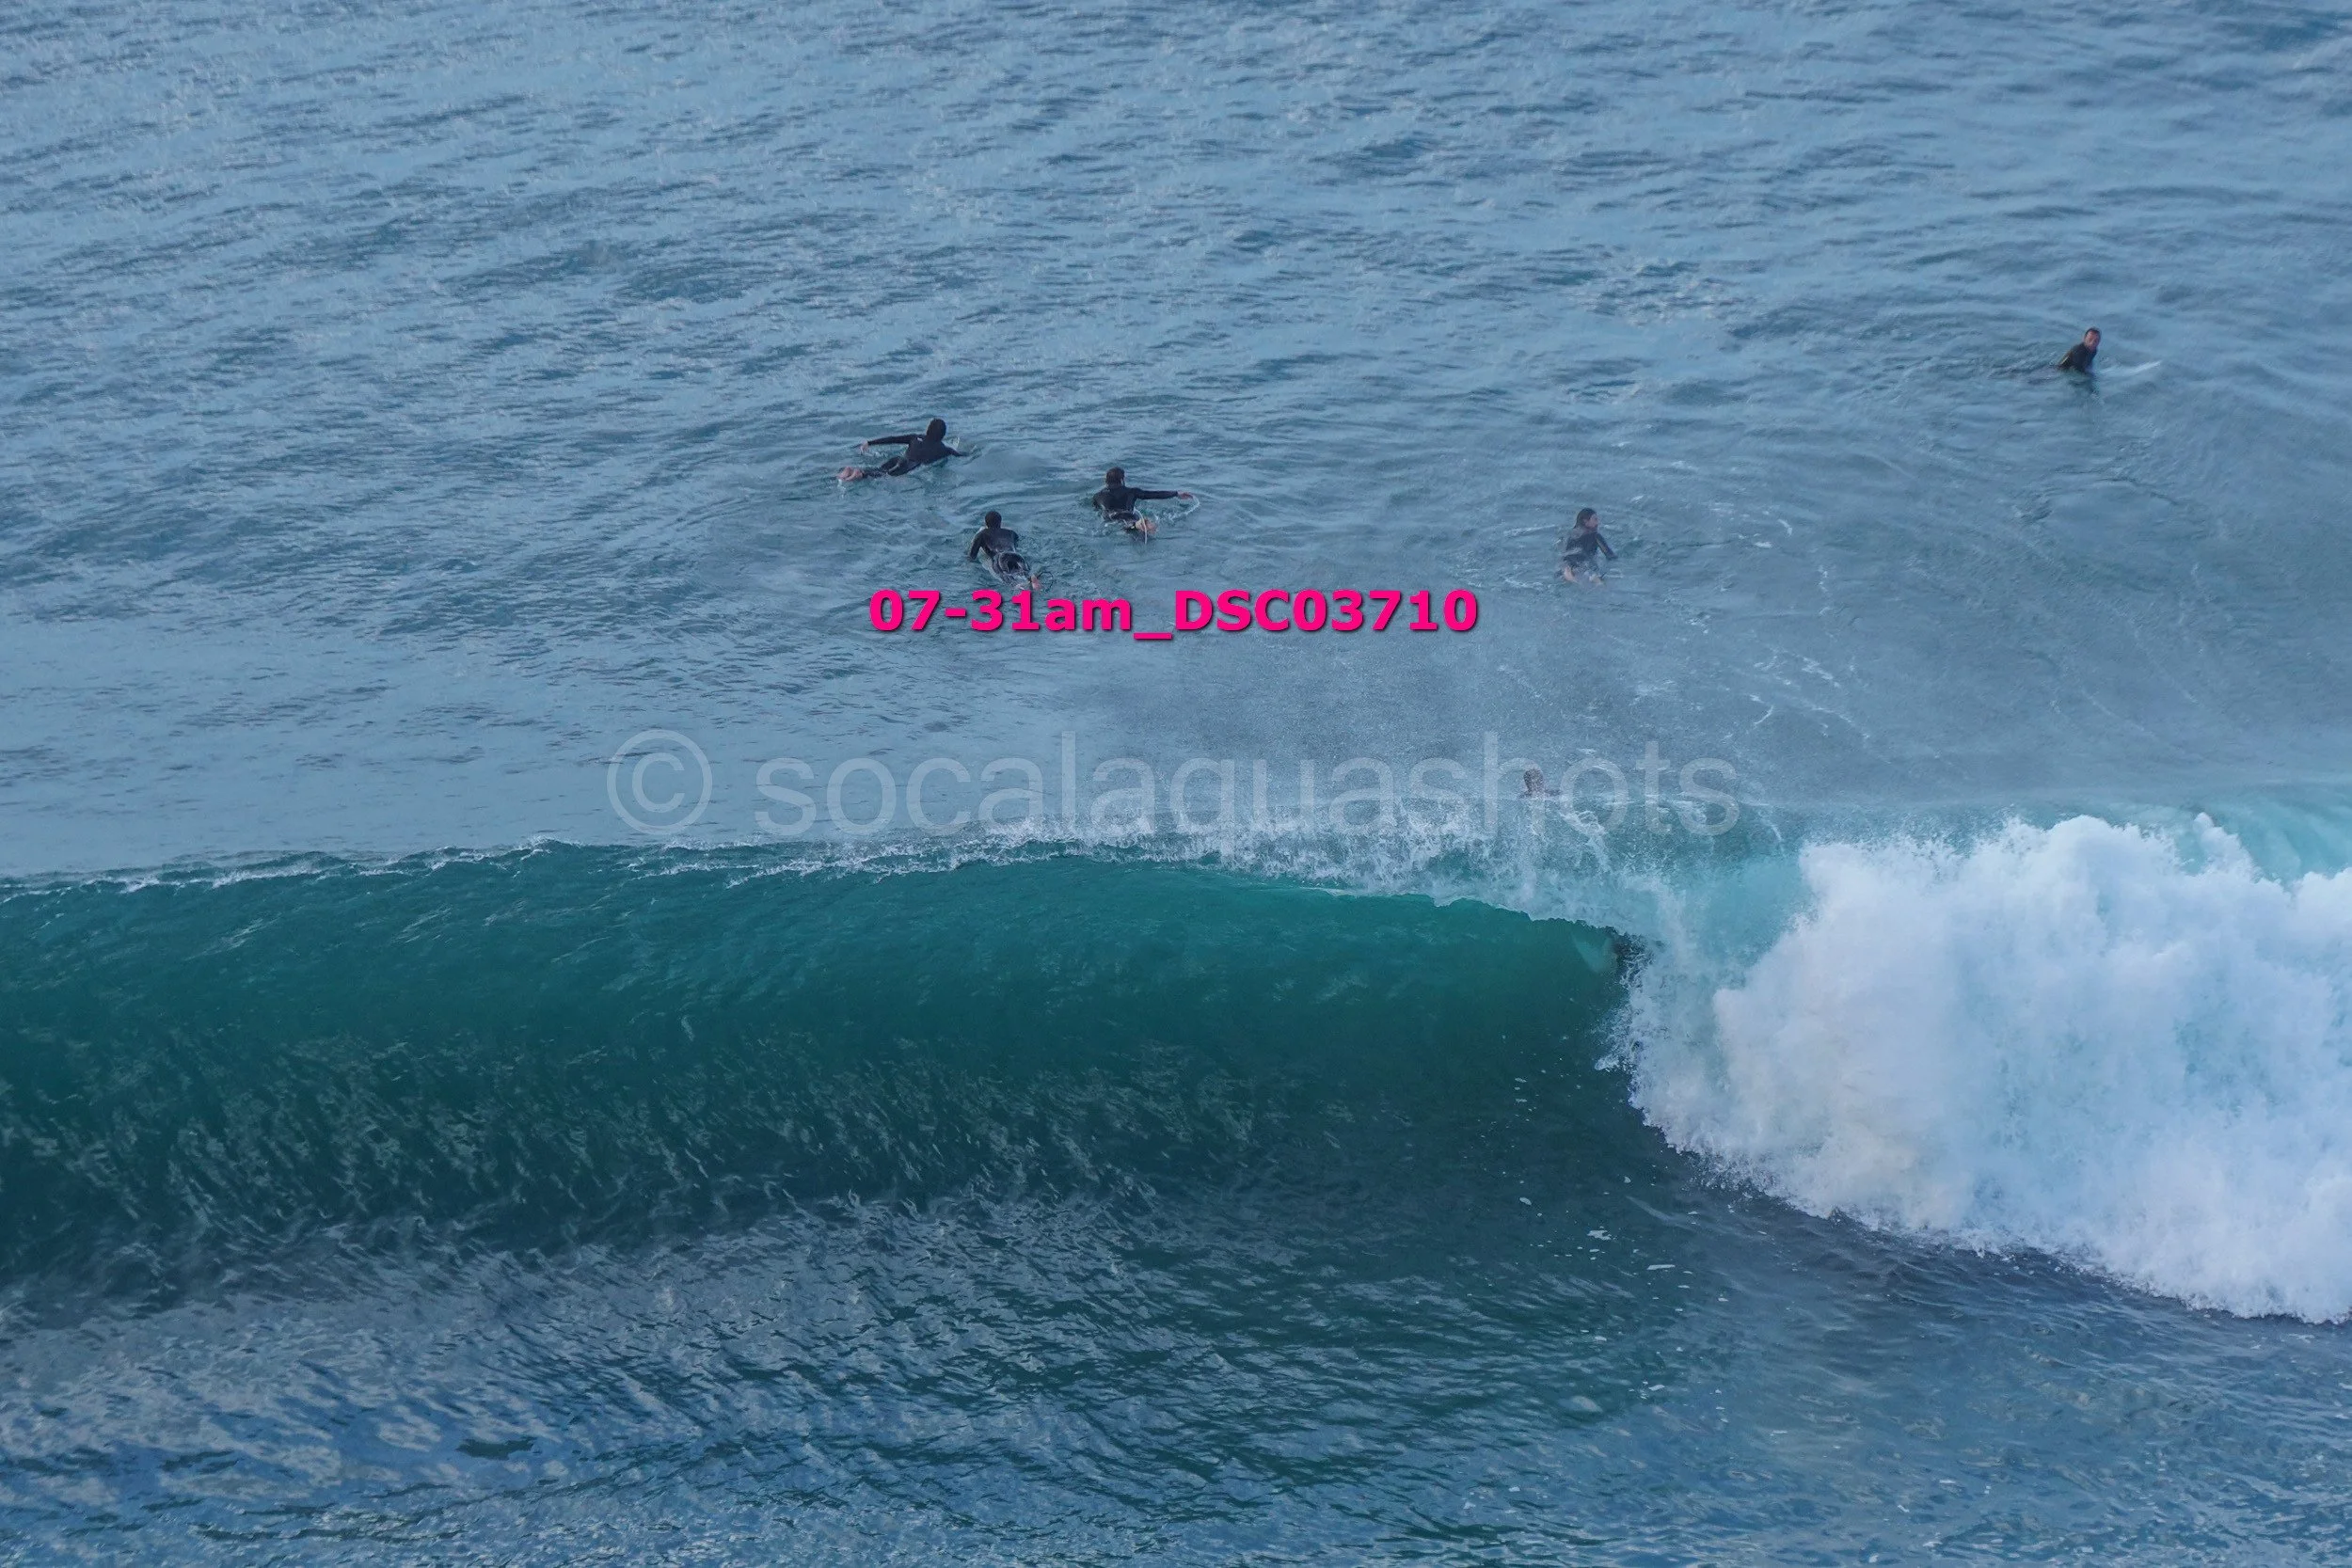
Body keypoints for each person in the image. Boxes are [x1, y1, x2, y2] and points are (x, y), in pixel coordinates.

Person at [839, 418, 966, 481]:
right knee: (883, 475)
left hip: (898, 459)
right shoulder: (944, 449)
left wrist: (870, 443)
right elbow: (961, 455)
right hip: (909, 466)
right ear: (942, 435)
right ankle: (858, 474)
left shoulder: (915, 437)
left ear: (928, 429)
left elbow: (893, 439)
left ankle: (850, 471)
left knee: (880, 470)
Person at [1090, 467, 1193, 537]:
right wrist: (1176, 493)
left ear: (1106, 480)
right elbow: (1153, 495)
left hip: (1110, 518)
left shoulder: (1097, 496)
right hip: (1129, 516)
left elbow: (1096, 511)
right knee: (1139, 534)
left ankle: (1135, 526)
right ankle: (1137, 525)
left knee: (1123, 526)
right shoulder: (1132, 491)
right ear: (1122, 480)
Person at [965, 511, 1036, 588]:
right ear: (1000, 522)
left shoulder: (981, 534)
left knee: (1011, 582)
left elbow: (972, 556)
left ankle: (1020, 587)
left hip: (1001, 558)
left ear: (986, 523)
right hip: (1017, 556)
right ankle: (1033, 581)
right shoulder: (1012, 533)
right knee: (1025, 574)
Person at [1561, 508, 1616, 583]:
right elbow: (1610, 556)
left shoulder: (1569, 535)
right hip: (1587, 568)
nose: (1597, 523)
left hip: (1567, 567)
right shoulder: (1595, 536)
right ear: (1585, 521)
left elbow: (1564, 554)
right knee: (1600, 582)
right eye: (1595, 520)